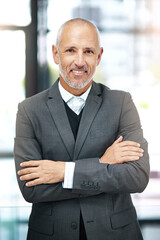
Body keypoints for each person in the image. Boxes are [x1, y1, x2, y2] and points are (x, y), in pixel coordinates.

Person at [14, 18, 150, 240]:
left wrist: (62, 172)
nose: (79, 61)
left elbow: (137, 177)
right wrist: (103, 164)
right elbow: (31, 188)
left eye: (88, 51)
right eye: (70, 50)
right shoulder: (29, 110)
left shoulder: (121, 103)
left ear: (99, 56)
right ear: (56, 54)